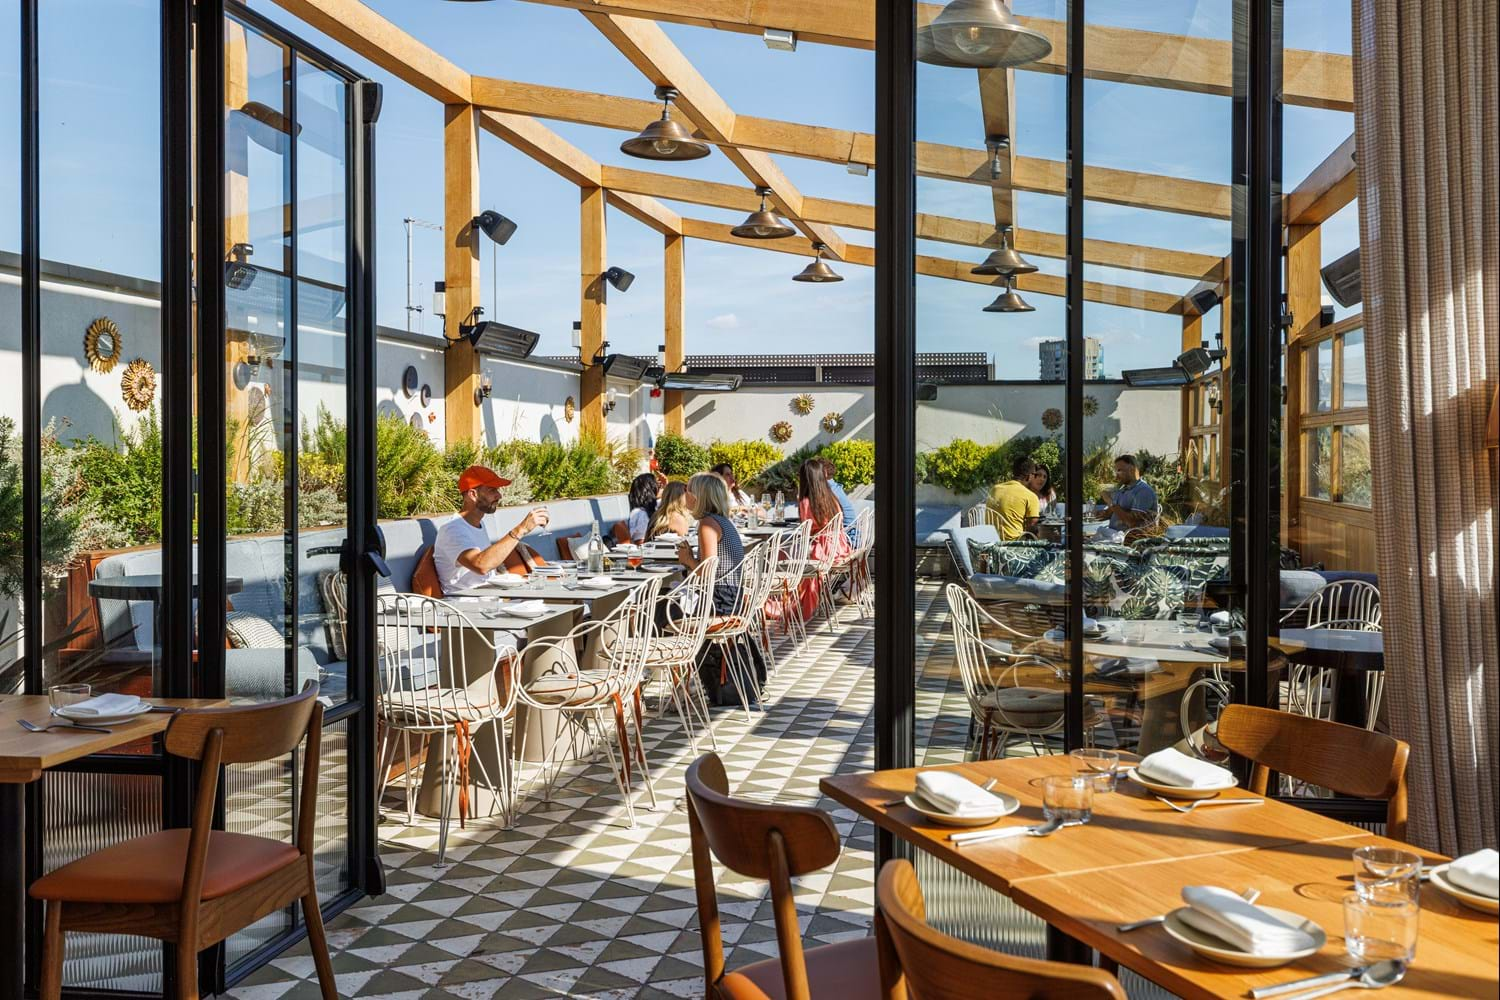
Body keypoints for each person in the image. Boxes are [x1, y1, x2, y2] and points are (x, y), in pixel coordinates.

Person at [432, 465, 550, 593]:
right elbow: (481, 565)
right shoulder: (452, 530)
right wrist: (521, 529)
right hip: (465, 606)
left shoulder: (478, 524)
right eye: (492, 490)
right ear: (473, 494)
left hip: (488, 601)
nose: (499, 495)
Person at [792, 459, 850, 620]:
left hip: (823, 552)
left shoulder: (806, 502)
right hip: (839, 547)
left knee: (788, 557)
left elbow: (806, 533)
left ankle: (793, 605)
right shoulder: (831, 497)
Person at [985, 457, 1045, 540]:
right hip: (1014, 546)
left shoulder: (995, 489)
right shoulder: (1030, 496)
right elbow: (1032, 529)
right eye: (1035, 475)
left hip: (991, 543)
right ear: (1028, 476)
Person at [1102, 454, 1158, 531]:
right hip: (1113, 535)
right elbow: (1111, 513)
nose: (1116, 477)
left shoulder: (1143, 491)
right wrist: (1095, 514)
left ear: (1132, 470)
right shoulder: (1123, 489)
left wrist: (1110, 502)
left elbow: (1131, 522)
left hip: (1128, 540)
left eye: (1119, 471)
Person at [816, 456, 859, 543]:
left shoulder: (829, 492)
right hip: (852, 536)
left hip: (846, 541)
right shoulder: (835, 488)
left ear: (823, 473)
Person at [625, 472, 658, 543]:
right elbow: (640, 543)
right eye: (657, 485)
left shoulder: (647, 510)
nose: (658, 488)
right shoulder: (640, 514)